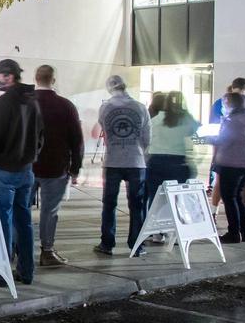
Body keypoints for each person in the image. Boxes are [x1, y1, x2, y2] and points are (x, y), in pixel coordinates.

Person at [0, 59, 42, 287]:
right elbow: (41, 137)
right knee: (24, 221)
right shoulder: (32, 103)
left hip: (1, 170)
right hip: (25, 170)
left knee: (1, 220)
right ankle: (26, 270)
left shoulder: (3, 103)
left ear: (9, 76)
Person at [31, 66, 83, 268]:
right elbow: (76, 139)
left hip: (26, 166)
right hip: (56, 166)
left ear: (36, 79)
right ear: (53, 80)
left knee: (21, 209)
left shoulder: (25, 103)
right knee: (49, 211)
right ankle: (47, 251)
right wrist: (75, 167)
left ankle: (17, 248)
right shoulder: (65, 105)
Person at [94, 75, 150, 257]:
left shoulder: (105, 107)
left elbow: (104, 131)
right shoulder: (140, 107)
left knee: (109, 204)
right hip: (136, 161)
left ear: (110, 89)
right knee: (137, 205)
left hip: (113, 161)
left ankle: (107, 243)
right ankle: (136, 246)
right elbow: (147, 137)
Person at [209, 78, 245, 226]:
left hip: (228, 156)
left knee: (225, 190)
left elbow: (216, 131)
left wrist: (214, 147)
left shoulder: (221, 108)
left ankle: (215, 215)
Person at [145, 91, 200, 208]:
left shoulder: (156, 119)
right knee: (178, 202)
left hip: (156, 161)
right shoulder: (186, 119)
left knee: (155, 200)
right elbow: (195, 129)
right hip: (178, 162)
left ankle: (154, 224)